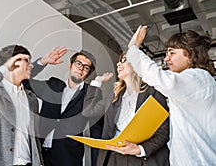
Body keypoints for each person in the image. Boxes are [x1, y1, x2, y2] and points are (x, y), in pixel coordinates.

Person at [126, 26, 216, 165]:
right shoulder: (193, 83)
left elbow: (157, 76)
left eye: (172, 53)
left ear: (191, 54)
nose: (166, 58)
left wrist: (133, 49)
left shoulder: (198, 77)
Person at [83, 52, 170, 166]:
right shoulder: (114, 96)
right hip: (115, 158)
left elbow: (164, 131)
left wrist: (140, 149)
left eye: (124, 60)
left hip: (144, 159)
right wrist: (97, 82)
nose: (118, 64)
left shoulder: (153, 91)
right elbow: (88, 111)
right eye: (119, 61)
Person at [23, 48, 104, 166]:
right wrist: (43, 62)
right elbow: (24, 80)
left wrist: (97, 162)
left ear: (88, 73)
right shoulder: (53, 85)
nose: (81, 69)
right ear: (70, 66)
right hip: (40, 152)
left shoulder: (91, 94)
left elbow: (96, 130)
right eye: (78, 63)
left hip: (69, 156)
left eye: (86, 67)